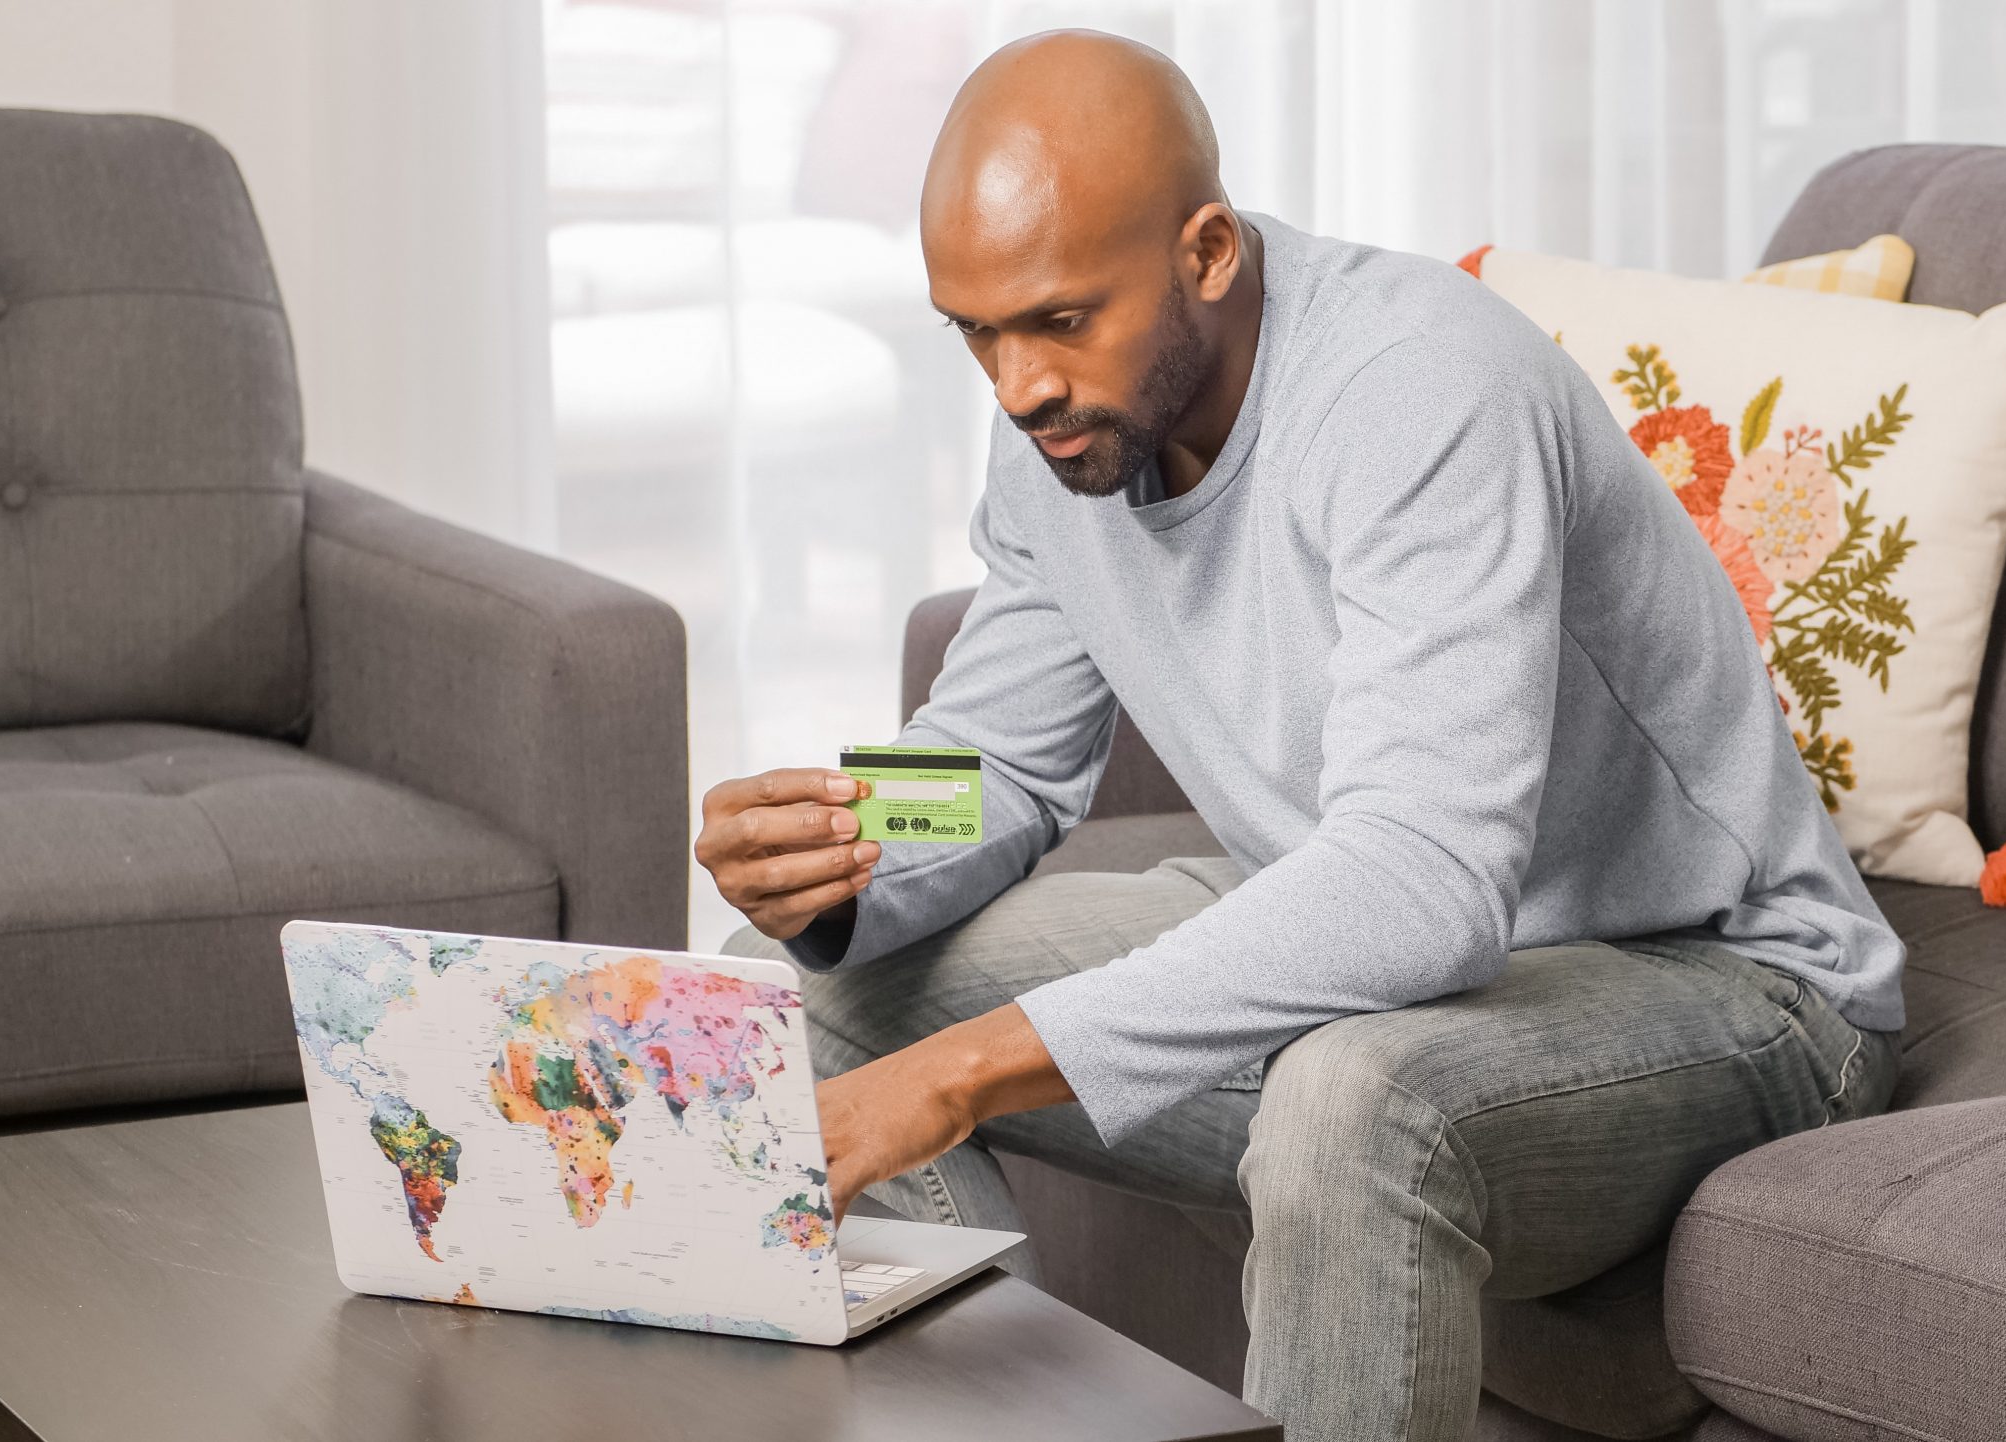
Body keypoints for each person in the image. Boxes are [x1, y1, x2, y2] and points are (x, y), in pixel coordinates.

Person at [697, 29, 1905, 1442]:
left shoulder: (1419, 386)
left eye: (1060, 319)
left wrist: (960, 1069)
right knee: (783, 1008)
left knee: (1353, 1102)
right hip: (1362, 926)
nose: (1017, 383)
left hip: (1727, 979)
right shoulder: (1063, 426)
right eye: (977, 332)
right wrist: (841, 857)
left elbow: (1420, 884)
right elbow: (1002, 763)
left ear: (1207, 251)